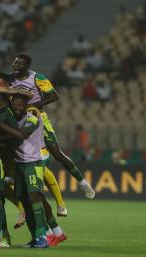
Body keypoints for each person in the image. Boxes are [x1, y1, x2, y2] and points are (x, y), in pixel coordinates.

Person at [11, 54, 95, 209]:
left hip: (38, 117)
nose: (15, 66)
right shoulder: (10, 79)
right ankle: (13, 178)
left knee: (56, 152)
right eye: (15, 63)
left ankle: (82, 182)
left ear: (27, 66)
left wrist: (33, 105)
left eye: (19, 64)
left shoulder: (37, 77)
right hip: (16, 118)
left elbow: (54, 96)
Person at [0, 93, 49, 248]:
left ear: (26, 106)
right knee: (25, 201)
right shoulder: (12, 120)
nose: (17, 108)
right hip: (19, 165)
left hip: (33, 164)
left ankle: (43, 237)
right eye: (15, 105)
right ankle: (34, 238)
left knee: (34, 198)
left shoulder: (32, 119)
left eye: (21, 105)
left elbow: (21, 135)